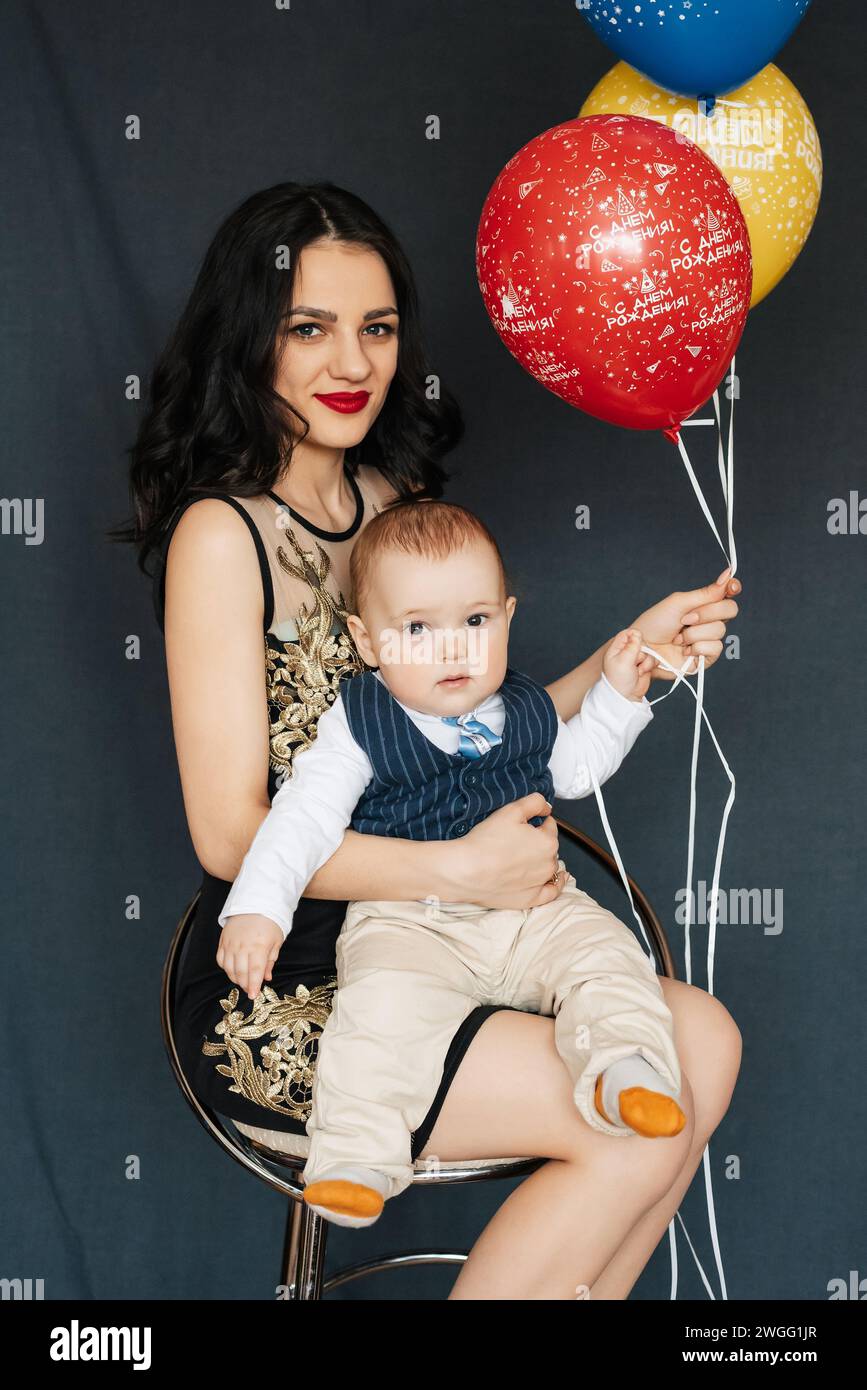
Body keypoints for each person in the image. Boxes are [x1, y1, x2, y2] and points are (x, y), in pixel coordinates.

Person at [115, 179, 743, 1298]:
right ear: (250, 338)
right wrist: (457, 866)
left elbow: (481, 730)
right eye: (309, 327)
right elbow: (228, 834)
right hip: (307, 972)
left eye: (378, 326)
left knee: (709, 1046)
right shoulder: (224, 533)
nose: (350, 360)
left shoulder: (394, 495)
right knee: (634, 1117)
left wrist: (624, 658)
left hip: (477, 935)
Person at [218, 499, 690, 1229]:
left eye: (475, 622)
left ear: (504, 619)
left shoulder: (525, 706)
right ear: (366, 642)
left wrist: (619, 697)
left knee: (607, 957)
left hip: (536, 913)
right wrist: (258, 907)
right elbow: (301, 822)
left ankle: (620, 1069)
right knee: (379, 1014)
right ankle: (354, 1157)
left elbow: (574, 772)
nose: (453, 650)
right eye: (416, 629)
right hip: (412, 923)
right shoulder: (360, 722)